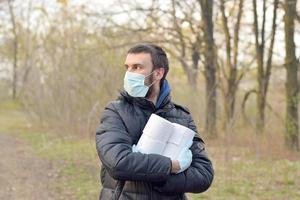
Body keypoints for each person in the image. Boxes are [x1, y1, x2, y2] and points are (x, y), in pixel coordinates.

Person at [95, 43, 214, 200]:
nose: (129, 73)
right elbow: (118, 163)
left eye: (137, 67)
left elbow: (203, 174)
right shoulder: (115, 112)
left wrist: (159, 179)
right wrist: (172, 166)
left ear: (158, 73)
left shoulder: (182, 116)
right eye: (127, 67)